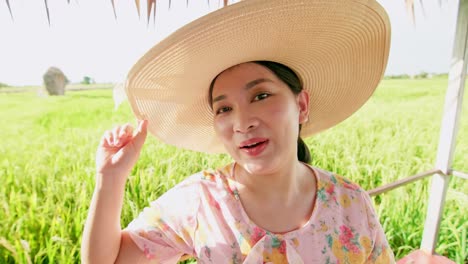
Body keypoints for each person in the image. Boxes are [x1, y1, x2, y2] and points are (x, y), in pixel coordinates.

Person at [81, 0, 395, 263]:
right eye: (224, 109)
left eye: (260, 96)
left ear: (301, 105)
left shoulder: (351, 204)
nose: (243, 123)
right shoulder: (202, 202)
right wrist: (110, 178)